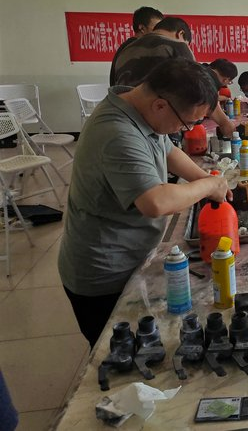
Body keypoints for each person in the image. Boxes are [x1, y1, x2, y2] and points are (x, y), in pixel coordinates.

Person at [58, 59, 230, 348]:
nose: (188, 129)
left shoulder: (138, 110)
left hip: (132, 255)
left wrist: (208, 179)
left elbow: (168, 150)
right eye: (187, 123)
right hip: (105, 273)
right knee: (121, 355)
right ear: (160, 105)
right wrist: (209, 186)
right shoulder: (116, 132)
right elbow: (155, 201)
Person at [114, 17, 236, 137]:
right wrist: (225, 123)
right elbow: (199, 93)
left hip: (123, 121)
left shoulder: (125, 49)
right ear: (180, 34)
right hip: (162, 124)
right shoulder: (178, 47)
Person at [109, 6, 164, 86]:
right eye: (157, 28)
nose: (160, 32)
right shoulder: (135, 48)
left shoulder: (131, 46)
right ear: (142, 28)